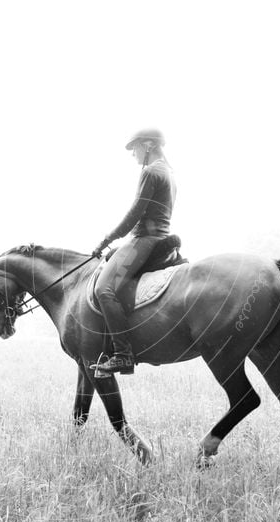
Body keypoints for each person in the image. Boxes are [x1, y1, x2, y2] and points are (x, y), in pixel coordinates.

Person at [91, 128, 177, 374]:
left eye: (135, 148)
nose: (133, 154)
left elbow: (134, 214)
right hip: (159, 237)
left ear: (149, 145)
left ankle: (122, 354)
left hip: (145, 240)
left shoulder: (151, 172)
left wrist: (106, 240)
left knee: (103, 290)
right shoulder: (169, 173)